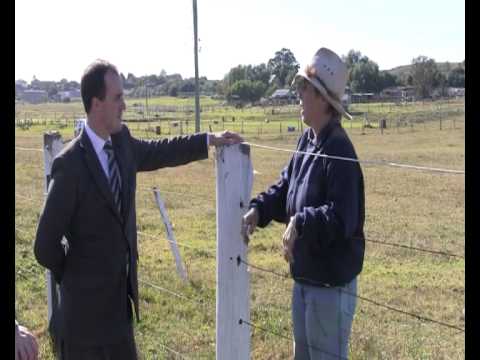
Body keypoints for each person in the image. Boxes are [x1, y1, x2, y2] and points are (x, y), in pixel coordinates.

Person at [34, 59, 243, 360]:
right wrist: (77, 274)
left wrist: (208, 140)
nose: (125, 105)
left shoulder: (122, 144)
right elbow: (44, 246)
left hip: (119, 312)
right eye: (118, 97)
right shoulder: (69, 165)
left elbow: (162, 150)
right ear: (96, 104)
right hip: (83, 322)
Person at [242, 48, 365, 359]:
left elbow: (343, 218)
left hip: (330, 285)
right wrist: (259, 209)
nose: (298, 94)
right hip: (306, 278)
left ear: (323, 99)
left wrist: (302, 221)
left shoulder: (339, 150)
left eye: (304, 89)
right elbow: (287, 187)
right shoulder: (308, 140)